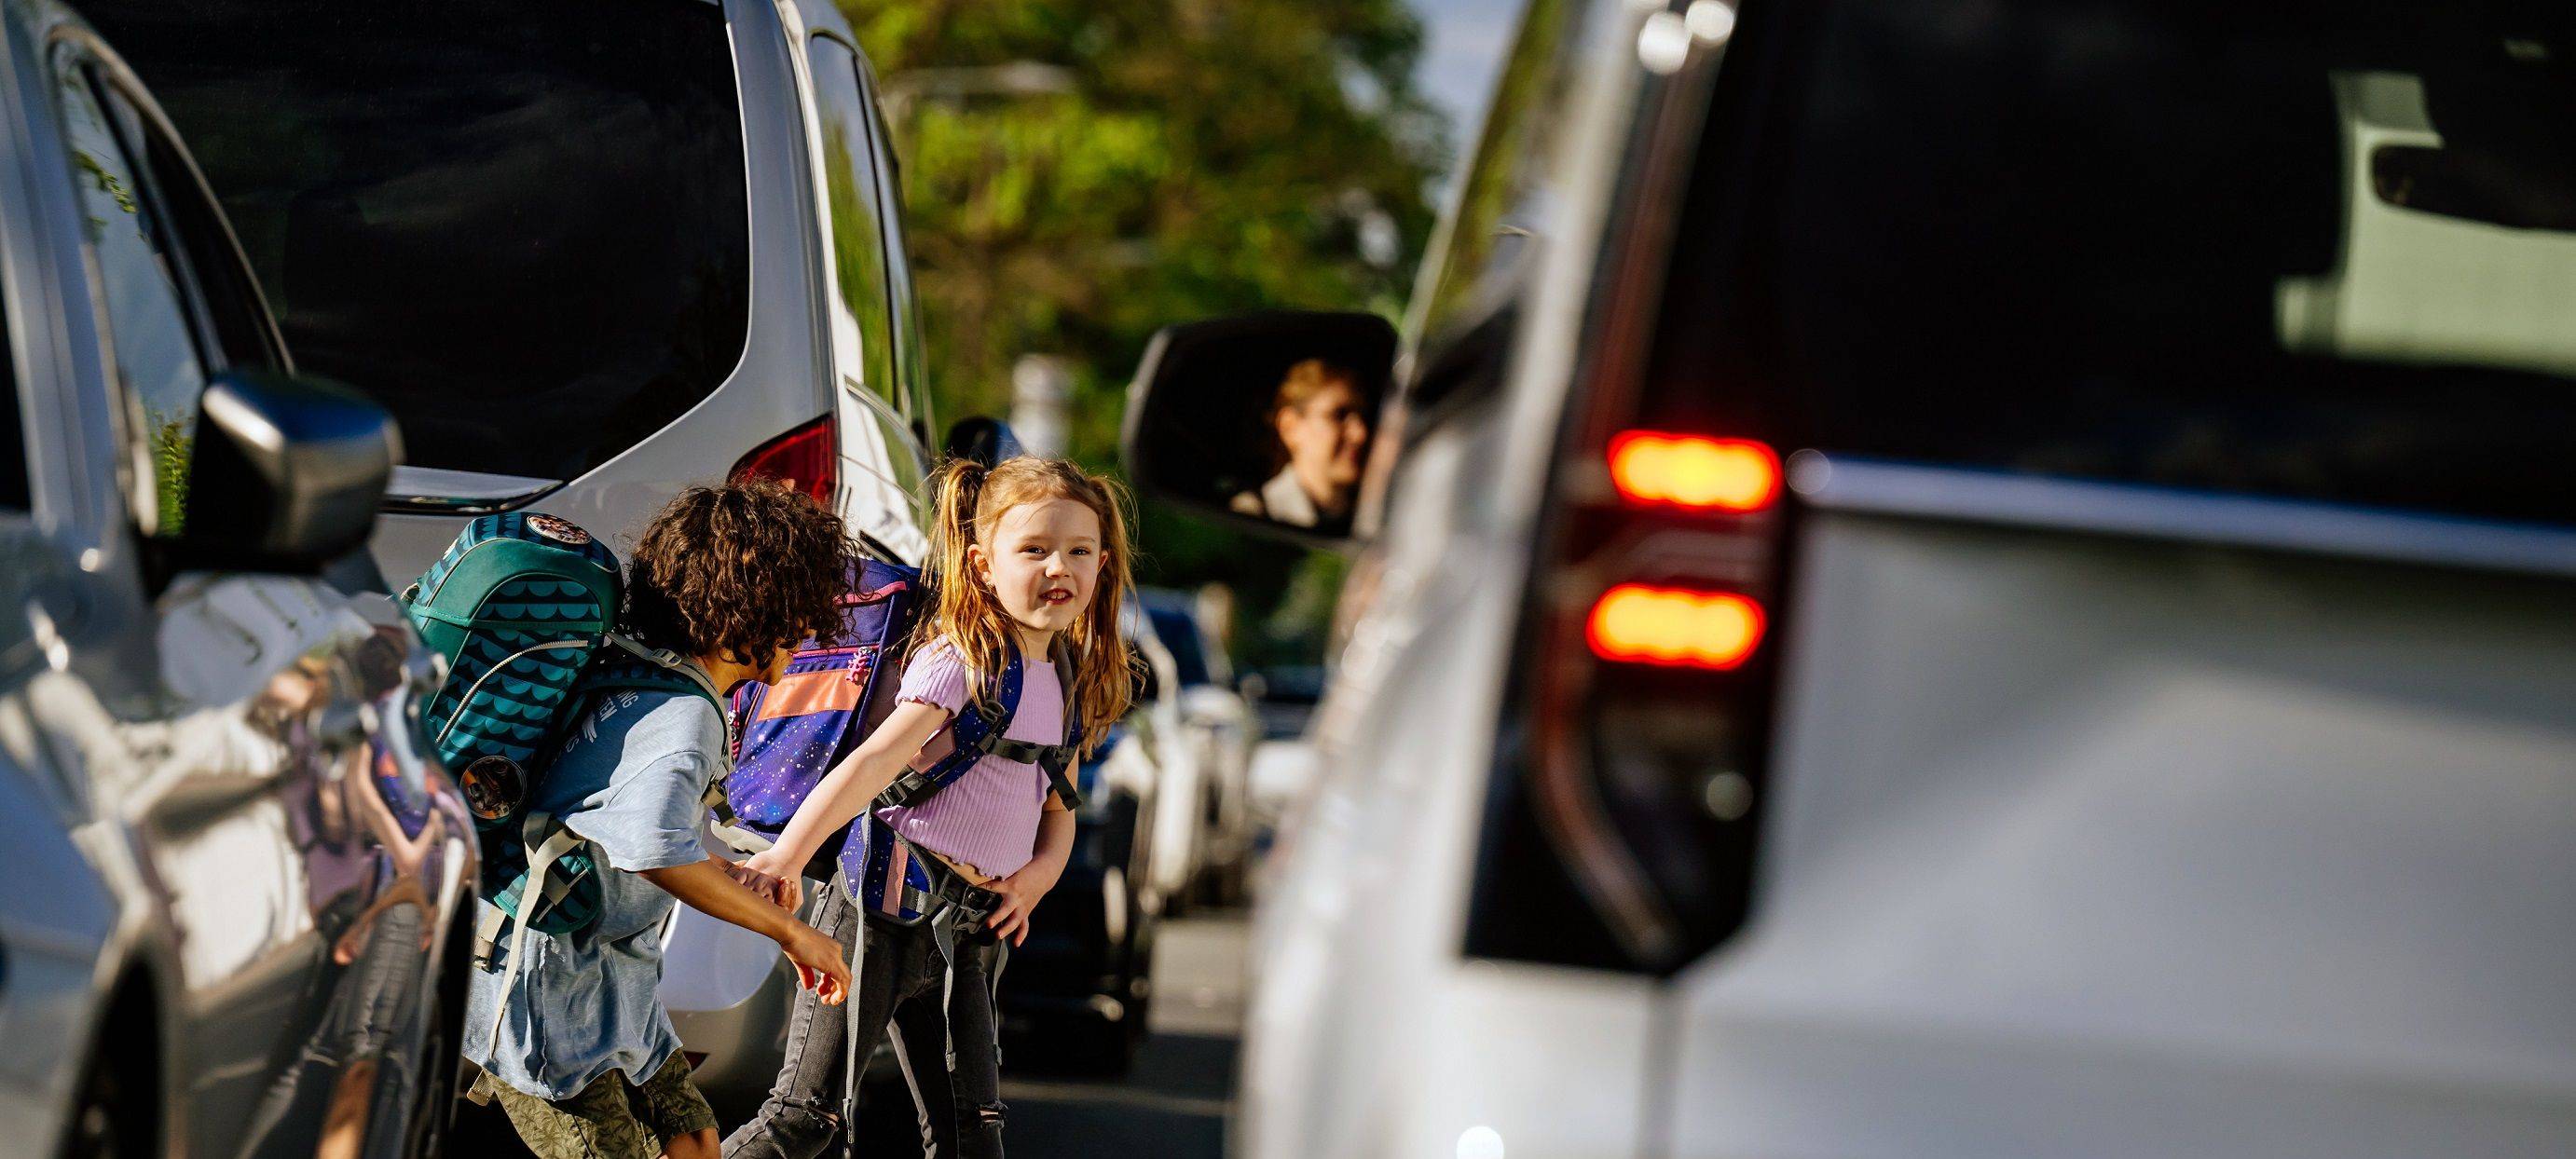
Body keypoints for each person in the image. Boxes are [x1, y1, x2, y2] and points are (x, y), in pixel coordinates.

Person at [726, 456, 1137, 1159]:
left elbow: (1058, 812)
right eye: (1033, 550)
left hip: (967, 941)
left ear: (1102, 565)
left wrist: (1034, 882)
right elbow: (872, 764)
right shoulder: (963, 659)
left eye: (1078, 551)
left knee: (973, 1136)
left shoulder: (1068, 679)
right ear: (982, 566)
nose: (1057, 568)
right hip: (875, 915)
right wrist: (787, 856)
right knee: (804, 1120)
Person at [464, 481, 858, 1159]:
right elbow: (653, 852)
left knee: (694, 1138)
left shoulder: (644, 671)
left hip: (614, 985)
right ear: (749, 615)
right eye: (799, 613)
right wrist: (794, 934)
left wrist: (725, 872)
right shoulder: (684, 719)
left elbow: (614, 824)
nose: (807, 633)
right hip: (552, 999)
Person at [1230, 358, 1373, 534]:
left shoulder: (1376, 519)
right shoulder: (1253, 516)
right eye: (1338, 415)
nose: (1360, 434)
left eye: (1363, 416)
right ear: (1290, 426)